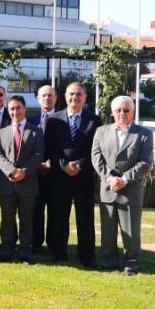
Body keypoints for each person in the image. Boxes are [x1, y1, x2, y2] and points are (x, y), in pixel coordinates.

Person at [92, 95, 153, 276]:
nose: (122, 114)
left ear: (133, 113)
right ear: (112, 112)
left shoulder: (144, 134)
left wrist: (124, 179)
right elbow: (96, 158)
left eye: (126, 110)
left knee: (131, 230)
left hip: (131, 189)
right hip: (108, 188)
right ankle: (108, 260)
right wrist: (109, 178)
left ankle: (131, 263)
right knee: (107, 229)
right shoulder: (101, 132)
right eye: (118, 110)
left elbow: (145, 162)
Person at [50, 82, 101, 267]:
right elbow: (50, 148)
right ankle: (58, 253)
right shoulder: (54, 119)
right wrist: (63, 164)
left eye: (79, 94)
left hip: (83, 177)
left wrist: (79, 164)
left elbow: (96, 150)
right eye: (71, 94)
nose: (75, 98)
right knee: (58, 216)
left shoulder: (94, 121)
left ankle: (86, 255)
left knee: (85, 218)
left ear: (85, 97)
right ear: (65, 96)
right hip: (60, 176)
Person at [0, 95, 44, 263]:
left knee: (26, 219)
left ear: (25, 109)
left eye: (18, 108)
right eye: (12, 109)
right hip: (6, 183)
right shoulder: (2, 132)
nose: (15, 111)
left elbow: (38, 154)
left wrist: (23, 171)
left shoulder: (36, 131)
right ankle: (6, 249)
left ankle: (25, 251)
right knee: (7, 218)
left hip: (28, 182)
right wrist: (11, 171)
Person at [26, 84, 63, 254]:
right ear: (37, 98)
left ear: (56, 98)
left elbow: (64, 147)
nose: (47, 98)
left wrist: (50, 162)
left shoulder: (63, 119)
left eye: (50, 95)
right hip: (35, 174)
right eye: (43, 96)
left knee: (56, 212)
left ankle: (55, 245)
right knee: (35, 210)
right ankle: (35, 243)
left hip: (56, 172)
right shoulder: (30, 120)